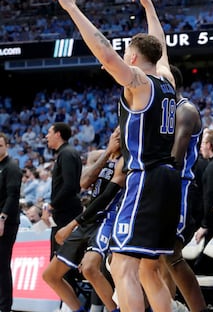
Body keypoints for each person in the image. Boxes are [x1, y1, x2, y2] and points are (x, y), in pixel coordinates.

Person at [49, 0, 181, 312]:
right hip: (168, 178)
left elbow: (105, 53)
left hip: (146, 176)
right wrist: (150, 6)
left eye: (128, 53)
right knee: (150, 268)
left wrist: (72, 8)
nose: (124, 57)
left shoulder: (138, 83)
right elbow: (160, 47)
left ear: (134, 58)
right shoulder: (166, 78)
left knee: (122, 264)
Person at [47, 128, 123, 312]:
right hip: (88, 218)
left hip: (107, 218)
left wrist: (71, 225)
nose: (117, 135)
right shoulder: (102, 156)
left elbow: (105, 199)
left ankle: (115, 310)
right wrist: (107, 152)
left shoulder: (126, 161)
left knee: (89, 268)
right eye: (115, 132)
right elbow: (83, 183)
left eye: (121, 133)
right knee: (51, 276)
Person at [163, 64, 207, 312]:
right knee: (157, 258)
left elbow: (175, 160)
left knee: (172, 255)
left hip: (180, 187)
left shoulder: (185, 111)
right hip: (163, 185)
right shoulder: (164, 113)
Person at [45, 122, 83, 258]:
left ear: (58, 134)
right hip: (64, 212)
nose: (46, 136)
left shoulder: (66, 154)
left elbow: (70, 186)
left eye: (49, 133)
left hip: (66, 213)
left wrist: (51, 205)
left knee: (62, 261)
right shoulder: (66, 153)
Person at [0, 132, 22, 312]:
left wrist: (2, 218)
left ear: (6, 146)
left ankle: (5, 307)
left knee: (2, 264)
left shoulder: (12, 166)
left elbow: (13, 196)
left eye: (0, 145)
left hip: (7, 222)